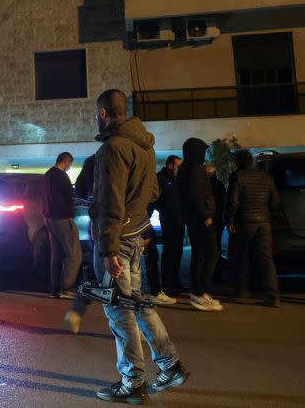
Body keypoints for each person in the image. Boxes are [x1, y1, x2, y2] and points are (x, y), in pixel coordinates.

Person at [90, 89, 188, 403]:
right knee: (137, 304)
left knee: (120, 312)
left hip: (117, 241)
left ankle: (132, 382)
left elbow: (110, 202)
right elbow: (153, 191)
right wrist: (137, 223)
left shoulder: (112, 149)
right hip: (135, 235)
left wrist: (107, 249)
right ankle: (169, 364)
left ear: (103, 112)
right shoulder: (145, 145)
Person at [225, 150, 281, 307]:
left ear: (239, 162)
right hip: (264, 223)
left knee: (239, 257)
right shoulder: (266, 178)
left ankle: (241, 291)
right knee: (266, 260)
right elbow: (276, 202)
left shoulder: (237, 176)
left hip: (244, 223)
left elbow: (233, 201)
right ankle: (273, 295)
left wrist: (229, 220)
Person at [178, 138, 223, 311]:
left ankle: (198, 293)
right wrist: (206, 217)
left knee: (199, 255)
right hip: (201, 219)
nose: (204, 154)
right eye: (202, 151)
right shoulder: (195, 169)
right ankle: (201, 293)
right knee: (212, 254)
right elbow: (195, 196)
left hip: (193, 219)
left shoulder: (184, 169)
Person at [43, 152, 82, 299]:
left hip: (49, 218)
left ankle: (55, 289)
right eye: (70, 164)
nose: (69, 167)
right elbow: (70, 195)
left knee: (56, 254)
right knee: (74, 255)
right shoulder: (61, 176)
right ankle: (67, 288)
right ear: (66, 161)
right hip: (62, 218)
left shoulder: (48, 175)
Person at [153, 155, 183, 297]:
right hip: (168, 219)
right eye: (178, 165)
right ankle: (167, 283)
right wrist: (165, 210)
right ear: (170, 165)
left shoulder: (177, 178)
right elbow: (155, 199)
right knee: (169, 250)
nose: (180, 168)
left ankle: (175, 281)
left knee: (177, 250)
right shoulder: (161, 178)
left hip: (179, 218)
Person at [205, 163, 226, 283]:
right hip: (218, 220)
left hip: (210, 220)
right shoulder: (220, 185)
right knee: (216, 245)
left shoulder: (208, 186)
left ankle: (210, 274)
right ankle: (216, 274)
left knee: (209, 248)